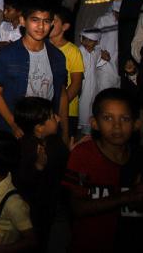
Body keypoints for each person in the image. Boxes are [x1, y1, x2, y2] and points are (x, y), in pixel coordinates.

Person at [61, 88, 143, 253]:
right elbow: (76, 207)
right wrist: (128, 196)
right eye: (108, 118)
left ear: (136, 124)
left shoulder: (139, 158)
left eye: (125, 119)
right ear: (94, 123)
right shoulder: (83, 155)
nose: (117, 126)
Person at [0, 0, 69, 139]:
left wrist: (65, 133)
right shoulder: (7, 55)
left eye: (46, 21)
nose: (41, 26)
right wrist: (13, 124)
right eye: (35, 20)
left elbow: (62, 95)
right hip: (13, 126)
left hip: (46, 127)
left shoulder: (57, 56)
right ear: (22, 21)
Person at [12, 97, 68, 250]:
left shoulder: (52, 143)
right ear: (39, 128)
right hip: (34, 213)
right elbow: (20, 184)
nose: (58, 118)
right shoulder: (29, 150)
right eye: (52, 116)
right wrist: (38, 167)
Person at [49, 7, 85, 138]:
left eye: (54, 21)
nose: (50, 23)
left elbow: (76, 84)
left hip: (68, 110)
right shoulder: (42, 46)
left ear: (65, 26)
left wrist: (59, 105)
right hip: (46, 110)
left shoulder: (73, 51)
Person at [78, 28, 104, 135]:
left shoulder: (97, 51)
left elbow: (97, 63)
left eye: (91, 40)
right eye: (85, 40)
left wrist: (104, 57)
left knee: (91, 105)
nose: (87, 43)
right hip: (82, 85)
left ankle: (88, 133)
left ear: (97, 42)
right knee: (82, 106)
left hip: (93, 84)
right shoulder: (78, 51)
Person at [93, 0, 121, 91]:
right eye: (117, 12)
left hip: (119, 69)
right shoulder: (103, 20)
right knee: (103, 95)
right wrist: (100, 52)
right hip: (104, 67)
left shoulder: (127, 21)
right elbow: (92, 40)